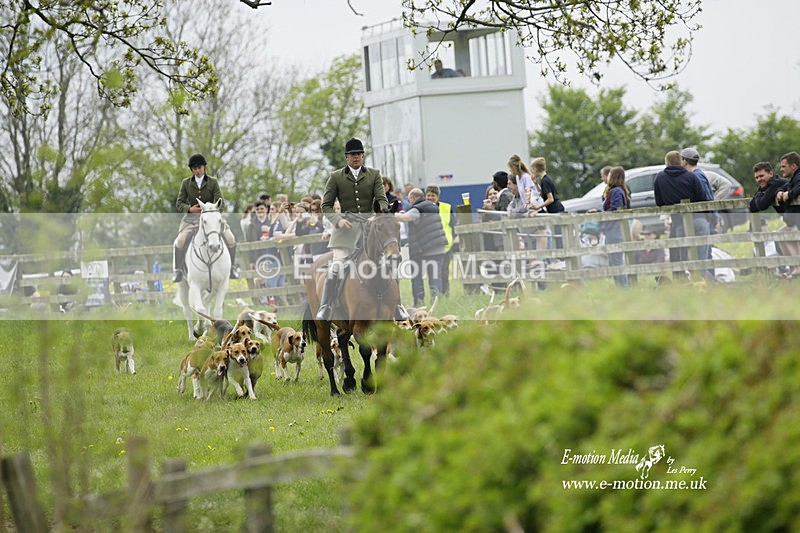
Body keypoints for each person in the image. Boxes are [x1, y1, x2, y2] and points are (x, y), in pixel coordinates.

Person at [317, 137, 408, 321]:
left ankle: (397, 305)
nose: (356, 157)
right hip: (346, 232)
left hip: (371, 230)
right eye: (352, 155)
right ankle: (326, 306)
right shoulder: (335, 177)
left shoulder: (374, 174)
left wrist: (379, 214)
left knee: (389, 264)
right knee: (337, 266)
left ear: (363, 156)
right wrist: (338, 221)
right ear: (346, 157)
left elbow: (381, 198)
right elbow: (325, 205)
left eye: (359, 154)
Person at [172, 153, 238, 282]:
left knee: (230, 238)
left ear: (204, 167)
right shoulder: (186, 183)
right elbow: (179, 203)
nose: (197, 171)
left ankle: (232, 268)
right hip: (192, 219)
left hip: (212, 218)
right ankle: (178, 270)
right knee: (180, 240)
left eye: (200, 168)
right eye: (194, 168)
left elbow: (221, 203)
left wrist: (211, 211)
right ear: (191, 170)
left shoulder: (213, 182)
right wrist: (190, 209)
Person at [653, 150, 710, 281]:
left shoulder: (660, 177)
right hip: (699, 219)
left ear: (667, 163)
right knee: (701, 260)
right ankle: (704, 286)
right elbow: (703, 198)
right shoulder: (691, 176)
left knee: (683, 259)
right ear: (681, 162)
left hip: (679, 222)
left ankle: (686, 285)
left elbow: (659, 202)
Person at [395, 188, 447, 307]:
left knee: (418, 277)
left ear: (413, 198)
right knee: (436, 277)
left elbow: (405, 218)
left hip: (425, 250)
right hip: (438, 247)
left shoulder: (417, 208)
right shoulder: (432, 206)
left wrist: (389, 214)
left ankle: (419, 304)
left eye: (410, 199)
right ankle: (437, 305)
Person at [680, 147, 716, 276]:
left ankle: (711, 284)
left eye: (681, 159)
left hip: (703, 218)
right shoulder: (699, 174)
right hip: (706, 219)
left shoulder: (696, 176)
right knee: (704, 258)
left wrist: (713, 219)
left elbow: (707, 199)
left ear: (685, 161)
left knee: (702, 260)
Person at [602, 167, 631, 286]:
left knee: (616, 261)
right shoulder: (619, 190)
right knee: (614, 261)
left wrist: (602, 217)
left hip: (615, 230)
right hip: (615, 229)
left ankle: (624, 287)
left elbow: (616, 209)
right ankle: (621, 286)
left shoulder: (616, 191)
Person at [426, 185, 457, 296]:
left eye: (433, 195)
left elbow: (453, 224)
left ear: (438, 197)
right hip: (431, 246)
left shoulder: (446, 207)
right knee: (433, 273)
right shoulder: (423, 209)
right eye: (428, 195)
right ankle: (435, 295)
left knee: (444, 271)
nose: (430, 198)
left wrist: (452, 238)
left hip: (446, 246)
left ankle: (445, 294)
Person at [775, 152, 800, 276]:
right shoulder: (794, 178)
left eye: (784, 166)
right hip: (795, 221)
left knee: (786, 233)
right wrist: (780, 192)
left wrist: (789, 194)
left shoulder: (798, 176)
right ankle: (793, 268)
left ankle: (797, 268)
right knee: (782, 233)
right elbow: (786, 185)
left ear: (793, 166)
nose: (781, 169)